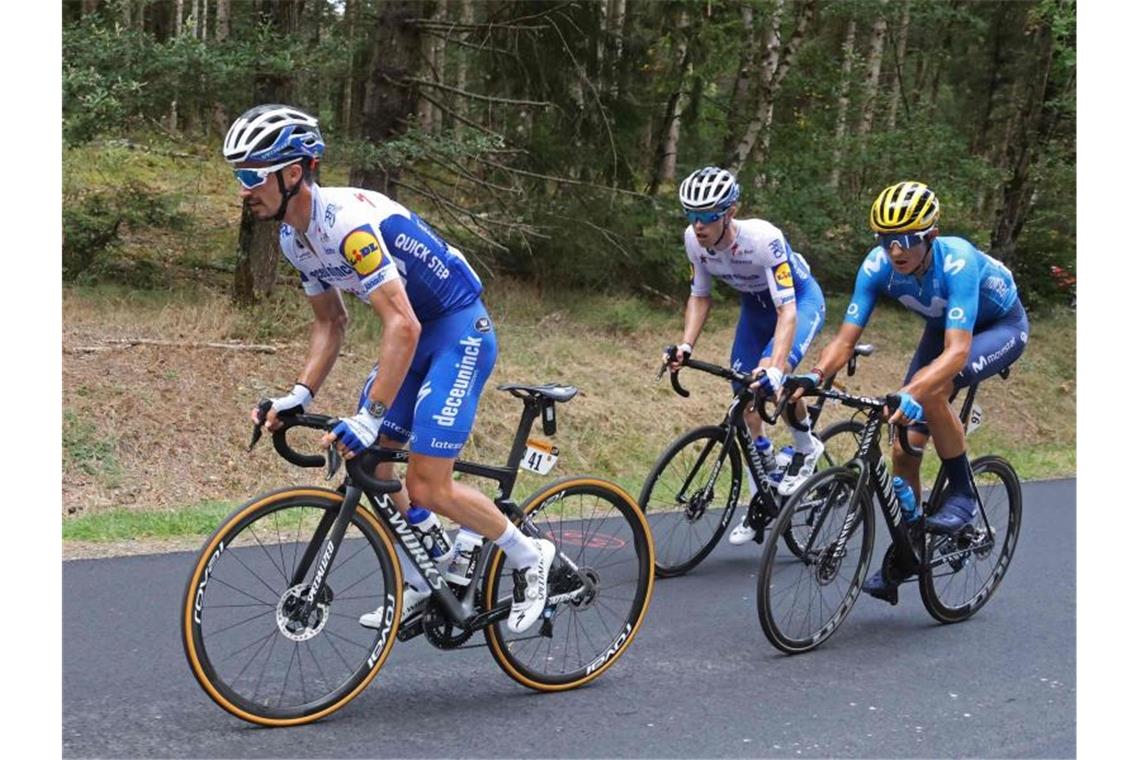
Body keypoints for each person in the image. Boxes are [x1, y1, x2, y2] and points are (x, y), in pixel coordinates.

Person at [224, 104, 554, 633]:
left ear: (291, 173)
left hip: (456, 328)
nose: (242, 189)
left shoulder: (347, 228)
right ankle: (430, 569)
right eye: (237, 175)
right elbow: (331, 324)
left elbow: (402, 325)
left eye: (250, 175)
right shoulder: (294, 239)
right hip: (415, 332)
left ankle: (529, 554)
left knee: (426, 485)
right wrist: (300, 395)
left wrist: (370, 414)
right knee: (375, 464)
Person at [785, 180, 1029, 602]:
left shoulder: (957, 261)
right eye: (886, 239)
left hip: (998, 328)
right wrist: (815, 375)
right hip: (944, 329)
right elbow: (844, 340)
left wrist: (911, 390)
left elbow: (957, 353)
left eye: (907, 240)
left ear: (930, 236)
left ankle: (963, 495)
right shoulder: (877, 267)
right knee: (902, 448)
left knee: (931, 393)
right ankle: (910, 544)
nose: (896, 250)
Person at [665, 166, 827, 545]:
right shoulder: (694, 241)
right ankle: (763, 492)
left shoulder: (763, 239)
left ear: (730, 211)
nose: (699, 225)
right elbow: (700, 295)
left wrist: (775, 367)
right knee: (744, 398)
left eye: (708, 216)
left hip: (797, 305)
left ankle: (806, 445)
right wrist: (686, 345)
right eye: (692, 215)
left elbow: (787, 311)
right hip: (755, 311)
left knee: (772, 380)